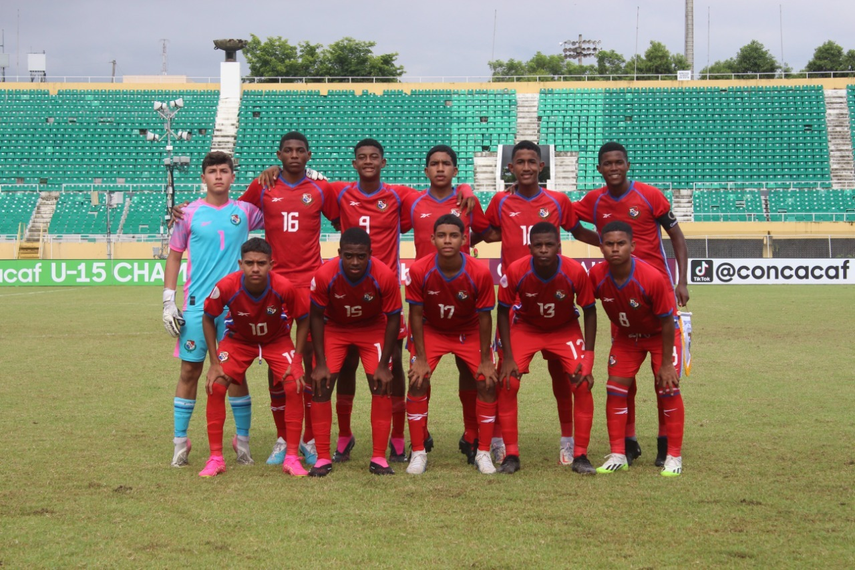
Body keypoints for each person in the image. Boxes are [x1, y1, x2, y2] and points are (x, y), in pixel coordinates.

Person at [260, 139, 477, 463]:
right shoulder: (339, 192)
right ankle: (345, 435)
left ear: (384, 162)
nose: (368, 162)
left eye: (374, 157)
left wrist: (467, 187)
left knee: (394, 368)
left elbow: (436, 192)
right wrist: (275, 170)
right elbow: (301, 178)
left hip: (384, 293)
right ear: (354, 163)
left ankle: (399, 436)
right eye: (361, 157)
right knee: (344, 364)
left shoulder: (399, 195)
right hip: (344, 291)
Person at [483, 140, 600, 467]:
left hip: (558, 308)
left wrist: (609, 244)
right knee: (504, 375)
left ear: (541, 166)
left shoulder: (558, 201)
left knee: (568, 377)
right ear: (511, 168)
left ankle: (570, 443)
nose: (526, 167)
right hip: (519, 304)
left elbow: (577, 231)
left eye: (531, 161)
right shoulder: (500, 201)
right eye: (519, 162)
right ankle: (499, 443)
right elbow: (488, 233)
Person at [574, 141, 690, 467]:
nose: (613, 168)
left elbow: (677, 237)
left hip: (656, 292)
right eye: (607, 163)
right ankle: (627, 443)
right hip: (620, 299)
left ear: (627, 165)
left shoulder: (651, 196)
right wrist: (603, 243)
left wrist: (681, 280)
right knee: (625, 378)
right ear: (599, 168)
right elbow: (566, 218)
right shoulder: (594, 201)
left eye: (618, 162)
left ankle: (667, 446)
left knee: (663, 377)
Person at [163, 151, 264, 468]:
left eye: (224, 171)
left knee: (236, 373)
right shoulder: (188, 214)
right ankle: (181, 442)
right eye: (212, 171)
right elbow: (175, 256)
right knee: (189, 371)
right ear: (203, 177)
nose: (218, 176)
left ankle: (242, 442)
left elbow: (281, 208)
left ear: (233, 177)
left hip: (235, 307)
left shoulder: (246, 211)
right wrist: (168, 300)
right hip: (197, 306)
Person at [400, 145, 491, 465]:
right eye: (434, 164)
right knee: (419, 375)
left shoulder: (467, 201)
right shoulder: (412, 200)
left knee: (473, 374)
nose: (440, 168)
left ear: (455, 170)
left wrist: (467, 190)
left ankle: (473, 436)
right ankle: (418, 441)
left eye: (446, 164)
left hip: (463, 297)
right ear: (425, 171)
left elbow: (485, 232)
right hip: (427, 297)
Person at [199, 238, 310, 477]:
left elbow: (304, 319)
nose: (255, 268)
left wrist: (297, 360)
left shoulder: (284, 287)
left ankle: (292, 457)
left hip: (276, 340)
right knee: (216, 385)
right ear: (241, 263)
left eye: (261, 263)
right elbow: (208, 317)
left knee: (294, 385)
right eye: (249, 263)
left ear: (271, 264)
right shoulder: (227, 286)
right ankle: (215, 458)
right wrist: (214, 363)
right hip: (239, 340)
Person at [496, 222, 598, 475]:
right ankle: (511, 454)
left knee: (581, 382)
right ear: (530, 247)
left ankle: (579, 452)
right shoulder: (516, 270)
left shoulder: (575, 271)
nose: (543, 250)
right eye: (538, 245)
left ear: (559, 246)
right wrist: (507, 357)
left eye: (549, 244)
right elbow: (502, 311)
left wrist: (588, 356)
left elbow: (590, 311)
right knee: (508, 381)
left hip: (564, 329)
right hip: (527, 328)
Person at [588, 221, 684, 477]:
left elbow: (667, 320)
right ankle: (618, 454)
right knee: (615, 389)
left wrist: (665, 363)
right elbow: (586, 307)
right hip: (627, 336)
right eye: (609, 244)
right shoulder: (596, 275)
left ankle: (674, 456)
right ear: (601, 247)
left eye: (621, 243)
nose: (615, 249)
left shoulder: (651, 277)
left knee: (668, 387)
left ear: (633, 246)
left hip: (661, 334)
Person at [405, 214, 498, 475]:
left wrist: (486, 359)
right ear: (432, 238)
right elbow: (414, 314)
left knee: (487, 382)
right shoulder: (419, 270)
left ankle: (483, 452)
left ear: (464, 239)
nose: (448, 240)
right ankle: (418, 451)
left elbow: (484, 317)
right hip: (431, 329)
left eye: (454, 235)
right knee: (417, 380)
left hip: (467, 330)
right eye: (442, 235)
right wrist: (420, 358)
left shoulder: (478, 272)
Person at [308, 227, 402, 476]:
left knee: (381, 383)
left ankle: (379, 458)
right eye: (348, 255)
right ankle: (323, 458)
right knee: (321, 383)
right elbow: (315, 317)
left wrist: (384, 364)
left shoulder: (384, 275)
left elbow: (393, 318)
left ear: (370, 254)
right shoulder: (325, 274)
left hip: (372, 329)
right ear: (339, 253)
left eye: (361, 256)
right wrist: (319, 362)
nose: (355, 261)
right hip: (336, 329)